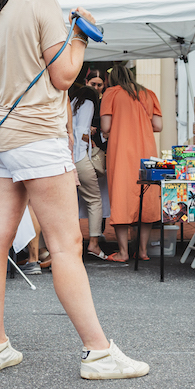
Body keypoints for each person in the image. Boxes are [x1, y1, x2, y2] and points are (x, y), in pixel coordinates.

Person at [0, 0, 148, 379]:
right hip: (38, 138)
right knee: (66, 244)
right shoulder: (41, 2)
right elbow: (64, 75)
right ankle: (98, 353)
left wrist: (8, 66)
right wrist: (79, 36)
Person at [99, 66, 163, 263]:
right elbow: (158, 125)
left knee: (121, 197)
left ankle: (123, 252)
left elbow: (106, 126)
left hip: (121, 152)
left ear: (112, 79)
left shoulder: (111, 93)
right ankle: (142, 251)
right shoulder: (149, 94)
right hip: (146, 151)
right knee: (147, 197)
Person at [70, 84, 107, 259]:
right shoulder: (88, 104)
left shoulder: (70, 103)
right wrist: (87, 141)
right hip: (79, 157)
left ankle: (70, 243)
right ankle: (93, 244)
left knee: (70, 203)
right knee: (94, 201)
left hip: (64, 159)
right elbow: (81, 132)